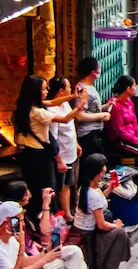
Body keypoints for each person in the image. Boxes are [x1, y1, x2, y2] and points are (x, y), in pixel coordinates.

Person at [13, 78, 85, 224]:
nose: (47, 92)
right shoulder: (37, 112)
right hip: (40, 157)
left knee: (36, 188)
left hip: (29, 153)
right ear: (35, 92)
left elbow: (52, 102)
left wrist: (72, 97)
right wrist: (80, 106)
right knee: (46, 190)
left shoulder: (25, 107)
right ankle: (44, 222)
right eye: (44, 89)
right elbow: (64, 119)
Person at [1, 184, 85, 269]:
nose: (22, 224)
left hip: (37, 256)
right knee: (62, 264)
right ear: (6, 224)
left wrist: (47, 251)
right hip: (37, 263)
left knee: (74, 251)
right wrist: (44, 259)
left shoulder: (12, 240)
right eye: (18, 221)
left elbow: (25, 262)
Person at [71, 154, 130, 269]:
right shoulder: (92, 194)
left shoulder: (85, 188)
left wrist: (110, 189)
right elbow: (102, 225)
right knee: (120, 233)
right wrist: (116, 225)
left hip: (81, 227)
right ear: (96, 173)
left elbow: (97, 202)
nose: (104, 174)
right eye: (102, 172)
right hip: (88, 234)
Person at [46, 80, 80, 224]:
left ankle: (69, 210)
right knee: (61, 186)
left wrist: (76, 143)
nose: (71, 89)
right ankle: (64, 213)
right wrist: (58, 159)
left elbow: (71, 126)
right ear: (61, 90)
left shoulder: (65, 104)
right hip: (62, 154)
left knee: (68, 184)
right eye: (68, 87)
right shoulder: (51, 111)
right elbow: (52, 137)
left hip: (70, 151)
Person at [74, 59, 113, 158]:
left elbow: (91, 109)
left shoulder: (91, 87)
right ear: (93, 72)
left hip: (96, 131)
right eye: (99, 68)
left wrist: (106, 106)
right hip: (87, 133)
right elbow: (80, 115)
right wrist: (102, 115)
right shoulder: (83, 89)